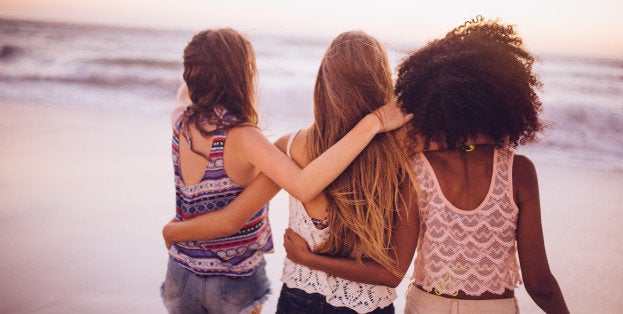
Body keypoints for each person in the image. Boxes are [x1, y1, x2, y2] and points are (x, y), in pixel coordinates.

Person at [163, 30, 419, 313]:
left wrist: (174, 230)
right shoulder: (402, 154)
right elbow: (393, 273)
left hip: (282, 294)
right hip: (360, 304)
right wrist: (375, 122)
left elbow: (235, 215)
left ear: (324, 82)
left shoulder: (288, 146)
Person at [393, 16, 570, 313]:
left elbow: (396, 265)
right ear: (508, 98)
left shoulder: (417, 167)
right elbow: (539, 283)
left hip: (426, 305)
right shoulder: (519, 172)